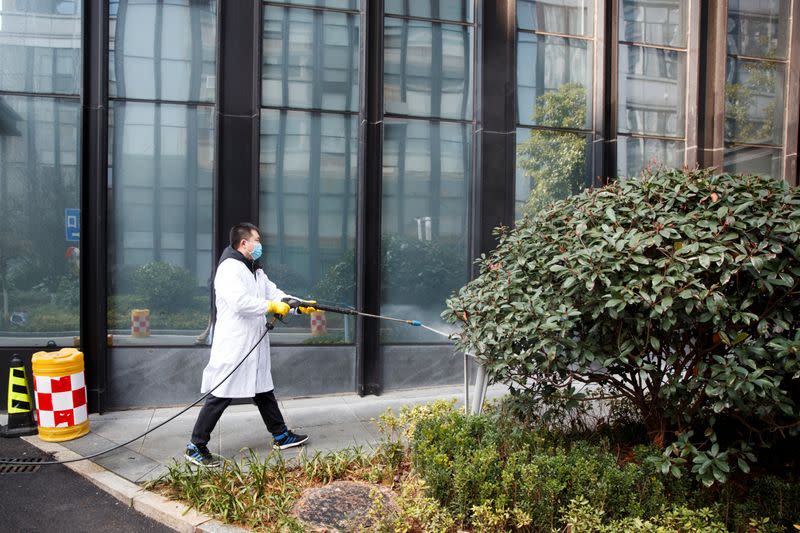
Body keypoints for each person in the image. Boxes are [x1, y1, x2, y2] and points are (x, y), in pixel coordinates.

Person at [184, 223, 315, 467]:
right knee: (221, 394)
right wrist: (271, 306)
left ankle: (281, 435)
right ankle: (196, 445)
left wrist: (298, 304)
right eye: (257, 240)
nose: (260, 244)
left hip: (253, 341)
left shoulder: (254, 268)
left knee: (263, 391)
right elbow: (240, 302)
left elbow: (273, 292)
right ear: (244, 243)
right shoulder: (229, 269)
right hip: (235, 343)